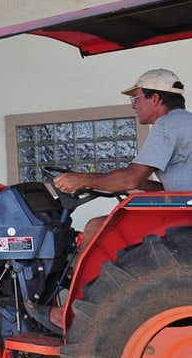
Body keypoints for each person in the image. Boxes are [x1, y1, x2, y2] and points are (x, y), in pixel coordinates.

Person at [26, 68, 191, 334]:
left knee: (94, 228)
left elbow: (131, 179)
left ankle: (69, 311)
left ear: (156, 99)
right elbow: (154, 182)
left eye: (137, 98)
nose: (134, 105)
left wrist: (84, 180)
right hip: (182, 208)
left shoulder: (167, 125)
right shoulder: (186, 122)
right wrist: (108, 181)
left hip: (182, 215)